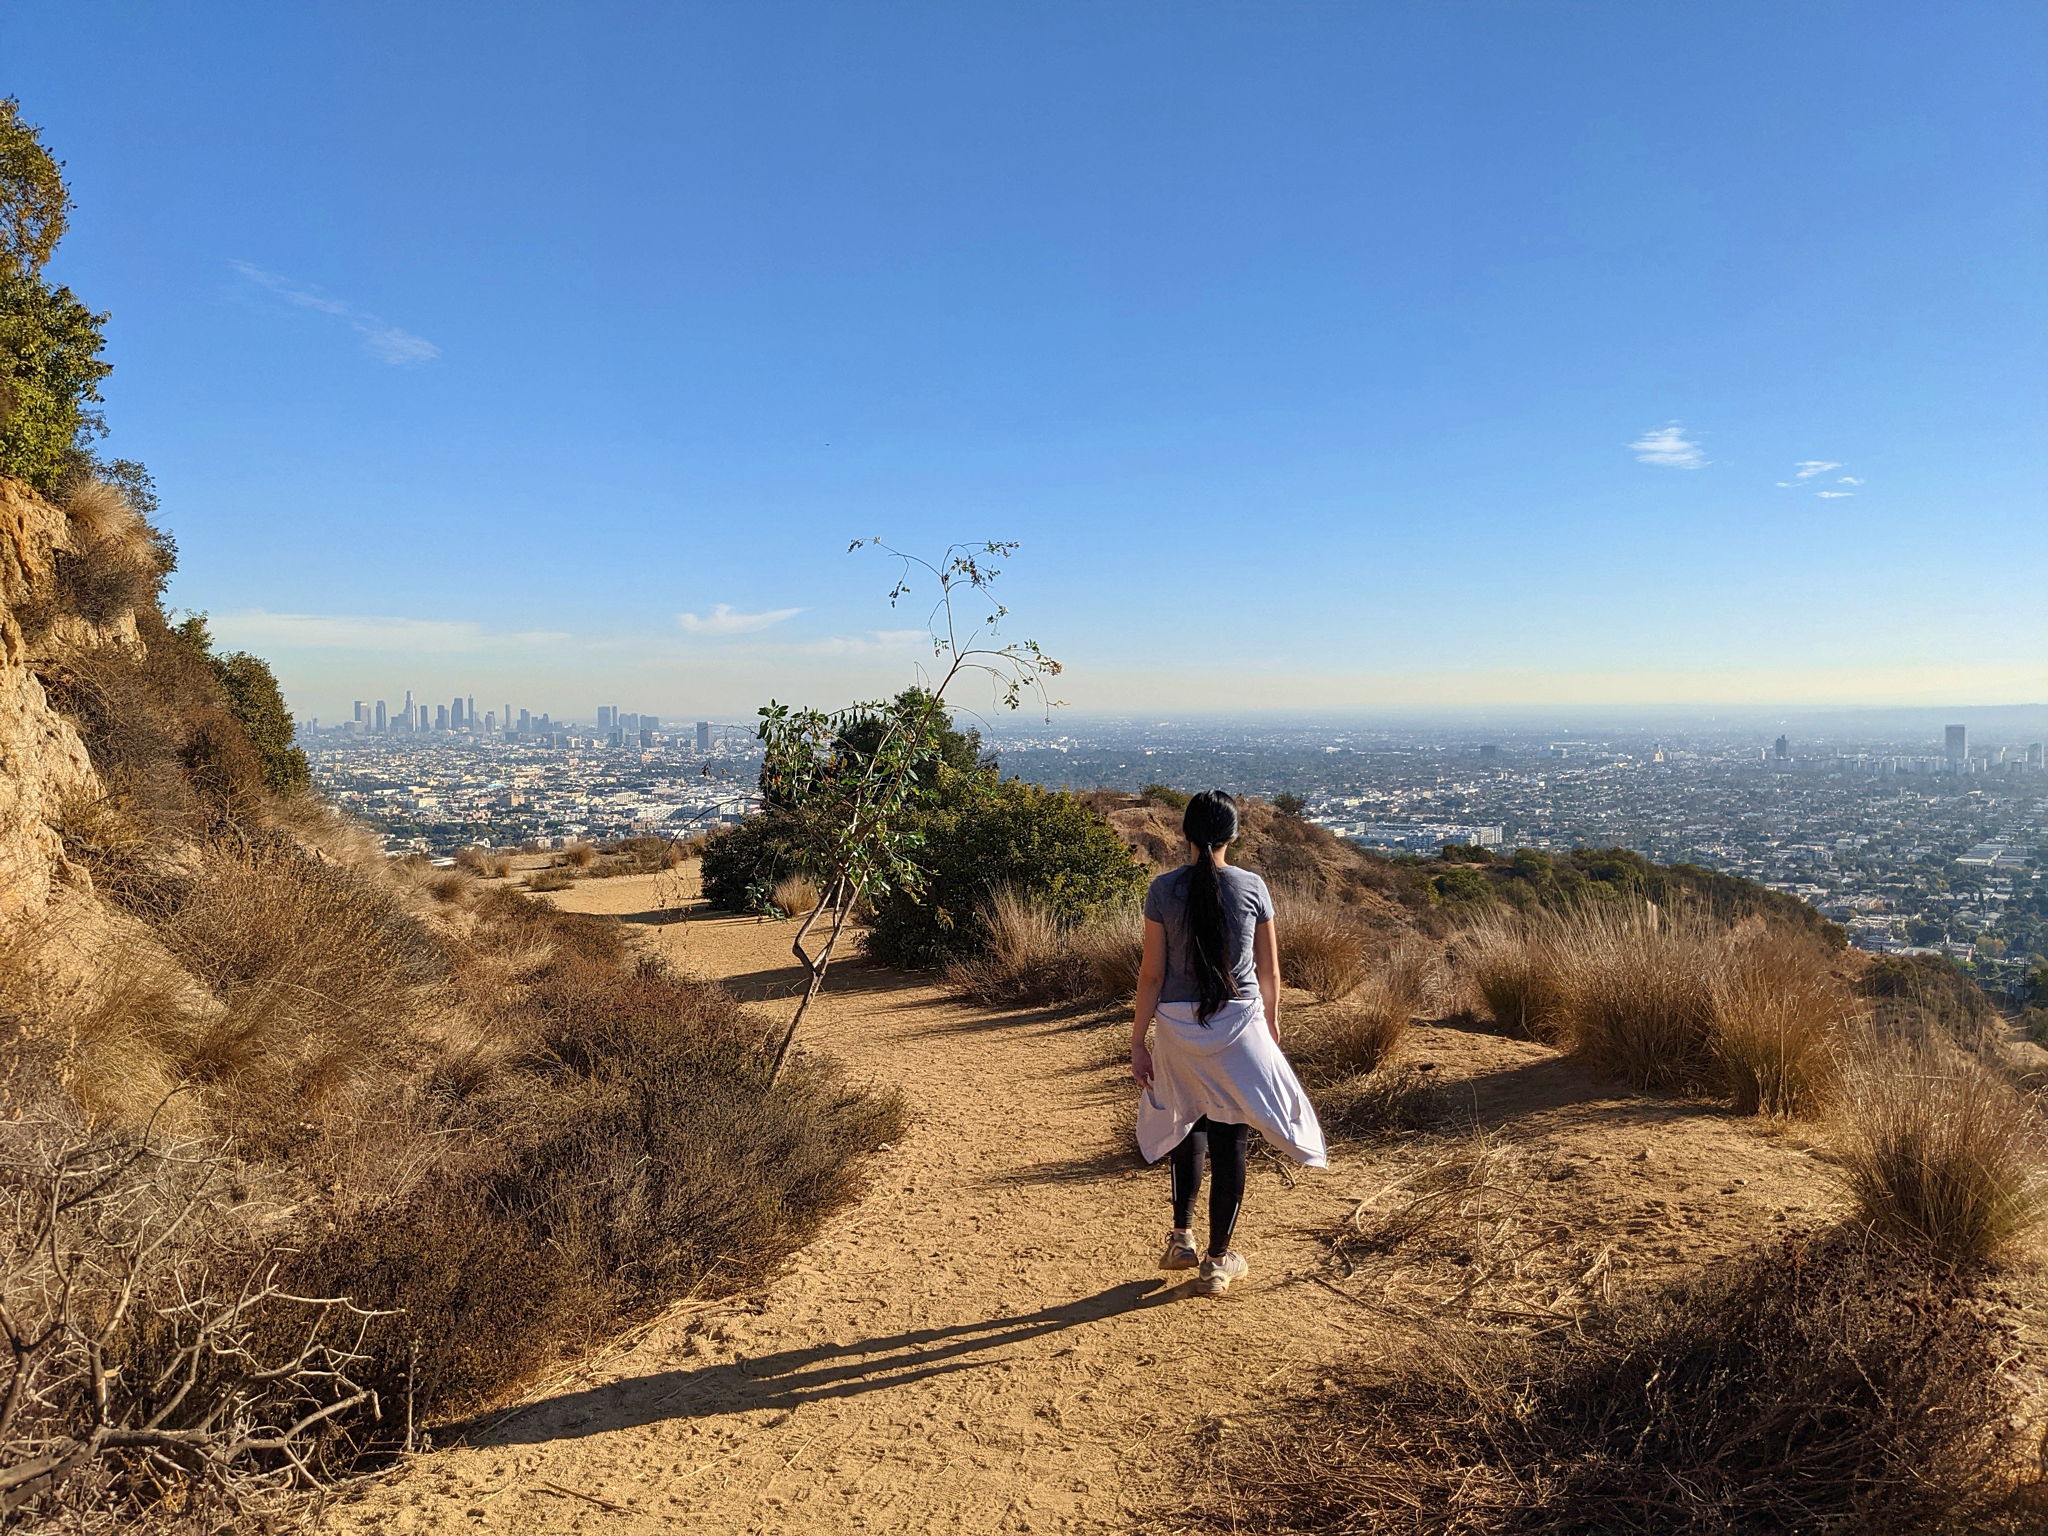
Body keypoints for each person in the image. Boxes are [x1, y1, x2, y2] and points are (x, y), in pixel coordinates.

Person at [1131, 790, 1326, 1297]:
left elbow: (1151, 975)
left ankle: (1181, 1237)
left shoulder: (1162, 888)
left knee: (1184, 1121)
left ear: (1185, 835)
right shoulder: (1252, 886)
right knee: (1231, 1136)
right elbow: (1270, 972)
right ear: (1233, 836)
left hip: (1176, 1026)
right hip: (1239, 1024)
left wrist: (1139, 1041)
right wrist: (1272, 1026)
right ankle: (1217, 1262)